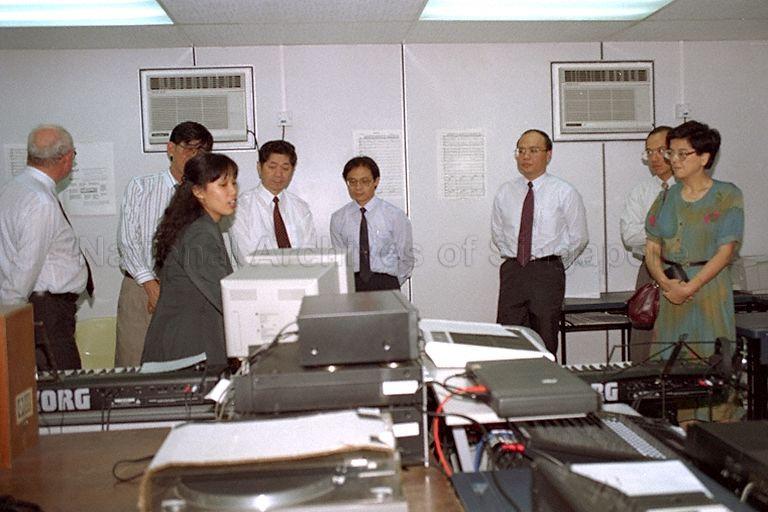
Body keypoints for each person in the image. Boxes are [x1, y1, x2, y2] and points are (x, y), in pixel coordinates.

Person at [116, 121, 213, 367]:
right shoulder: (142, 186)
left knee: (184, 366)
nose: (194, 156)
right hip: (141, 286)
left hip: (187, 292)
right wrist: (150, 285)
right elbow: (128, 241)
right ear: (170, 148)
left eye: (201, 151)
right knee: (135, 363)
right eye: (188, 148)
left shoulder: (207, 193)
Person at [645, 120, 743, 358]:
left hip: (709, 291)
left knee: (710, 363)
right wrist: (666, 283)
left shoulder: (727, 195)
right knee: (668, 365)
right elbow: (652, 248)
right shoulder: (666, 197)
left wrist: (690, 288)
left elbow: (725, 252)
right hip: (671, 291)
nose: (674, 160)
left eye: (682, 154)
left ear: (704, 158)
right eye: (672, 153)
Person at [0, 124, 91, 369]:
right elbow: (27, 265)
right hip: (46, 313)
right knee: (64, 392)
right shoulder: (40, 201)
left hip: (36, 309)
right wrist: (9, 321)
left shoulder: (11, 190)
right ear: (67, 158)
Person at [491, 129, 588, 355]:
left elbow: (579, 237)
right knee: (509, 338)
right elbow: (497, 232)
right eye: (521, 151)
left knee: (544, 338)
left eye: (533, 150)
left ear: (549, 154)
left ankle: (547, 387)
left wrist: (552, 264)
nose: (525, 156)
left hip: (546, 272)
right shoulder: (506, 192)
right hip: (513, 271)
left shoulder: (564, 192)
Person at [141, 153, 238, 366]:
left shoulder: (201, 226)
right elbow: (223, 295)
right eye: (223, 185)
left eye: (233, 183)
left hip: (188, 344)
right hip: (188, 349)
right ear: (198, 191)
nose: (233, 191)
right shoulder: (200, 234)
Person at [620, 126, 674, 362]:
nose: (654, 158)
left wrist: (651, 232)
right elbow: (629, 235)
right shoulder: (641, 192)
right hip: (650, 269)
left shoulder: (692, 189)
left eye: (660, 150)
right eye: (649, 152)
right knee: (645, 339)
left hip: (690, 270)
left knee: (683, 341)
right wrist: (664, 233)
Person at [330, 156, 414, 291]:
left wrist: (392, 283)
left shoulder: (394, 215)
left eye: (365, 181)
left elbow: (406, 257)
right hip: (353, 285)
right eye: (352, 181)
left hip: (386, 282)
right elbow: (340, 262)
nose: (358, 187)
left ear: (376, 181)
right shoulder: (338, 218)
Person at [230, 140, 317, 264]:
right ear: (259, 168)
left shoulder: (300, 207)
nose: (278, 174)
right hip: (256, 280)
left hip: (299, 280)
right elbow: (245, 258)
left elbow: (309, 254)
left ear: (292, 171)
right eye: (272, 167)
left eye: (285, 168)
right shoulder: (240, 207)